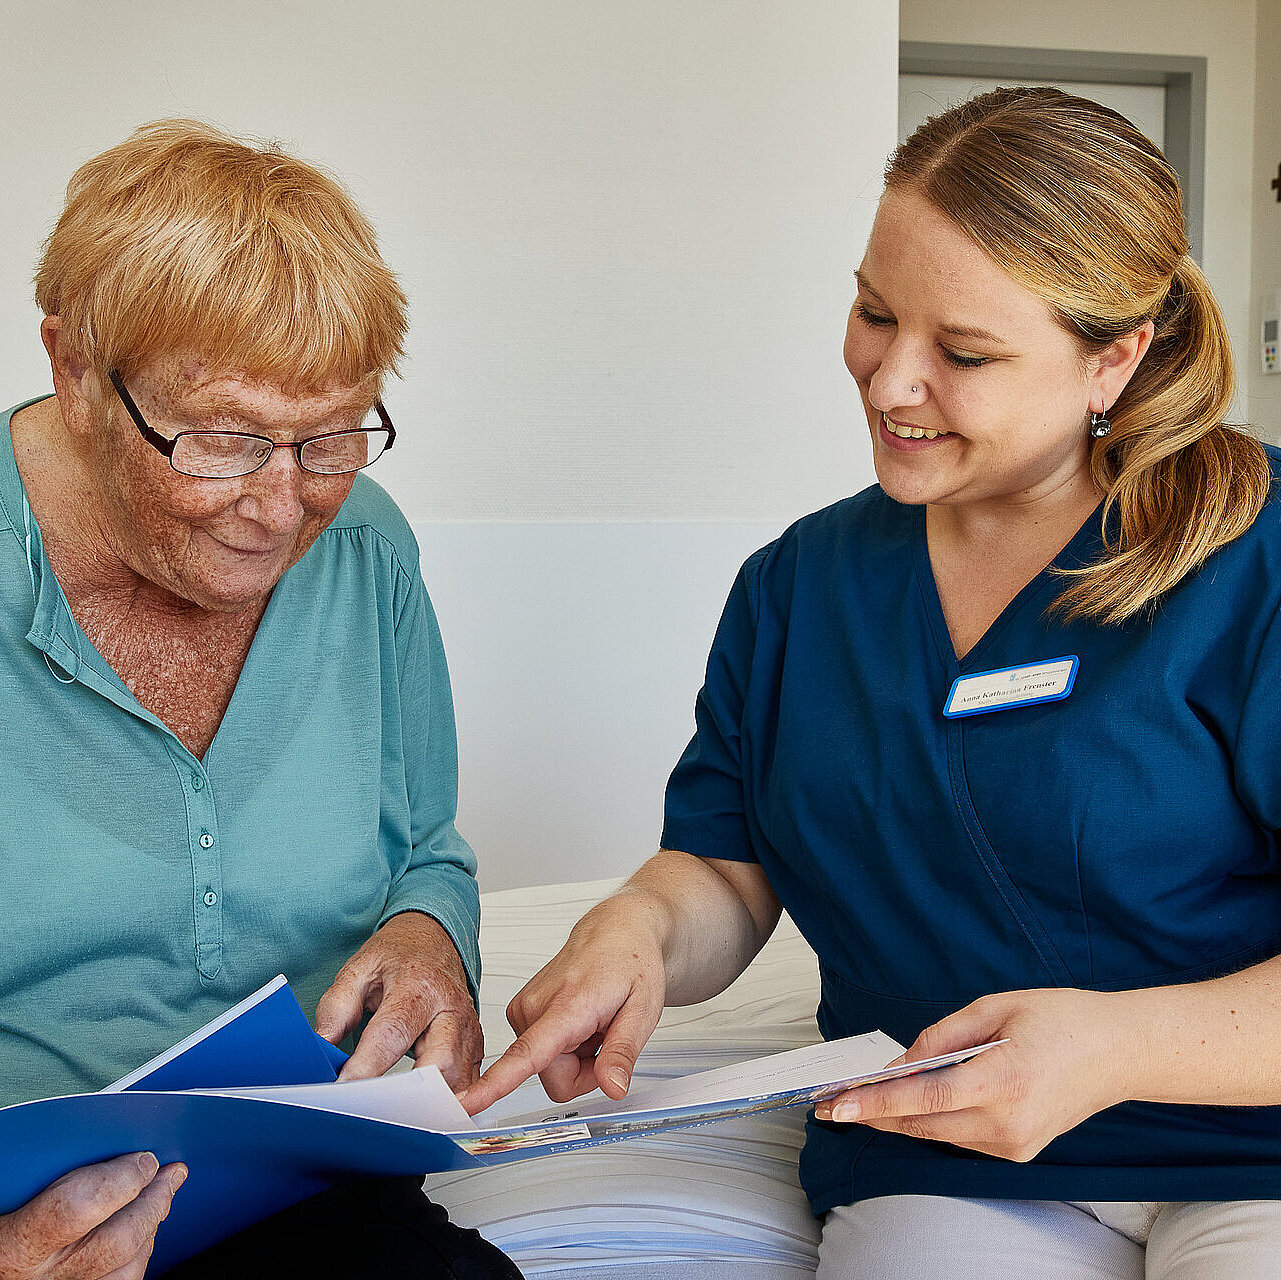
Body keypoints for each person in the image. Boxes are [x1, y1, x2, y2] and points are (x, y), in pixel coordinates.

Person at [464, 87, 1281, 1277]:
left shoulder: (1253, 561)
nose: (890, 382)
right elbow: (728, 868)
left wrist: (1112, 1047)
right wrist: (637, 927)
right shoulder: (802, 585)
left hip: (1249, 1148)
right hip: (941, 1147)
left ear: (1115, 358)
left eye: (963, 353)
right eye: (872, 312)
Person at [0, 121, 520, 1278]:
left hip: (304, 1181)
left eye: (332, 436)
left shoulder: (369, 550)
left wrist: (430, 935)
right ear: (76, 372)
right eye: (227, 439)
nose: (284, 508)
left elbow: (426, 848)